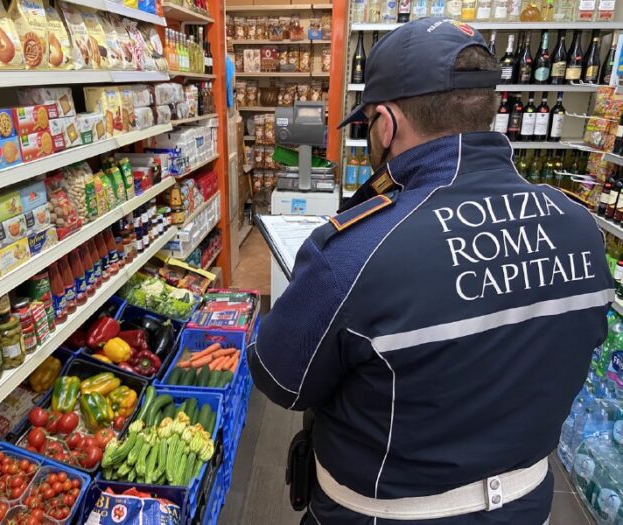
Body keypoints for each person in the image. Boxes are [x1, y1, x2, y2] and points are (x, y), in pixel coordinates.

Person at [247, 17, 615, 525]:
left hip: (381, 514)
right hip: (529, 506)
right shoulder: (578, 226)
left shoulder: (357, 251)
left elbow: (279, 379)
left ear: (386, 123)